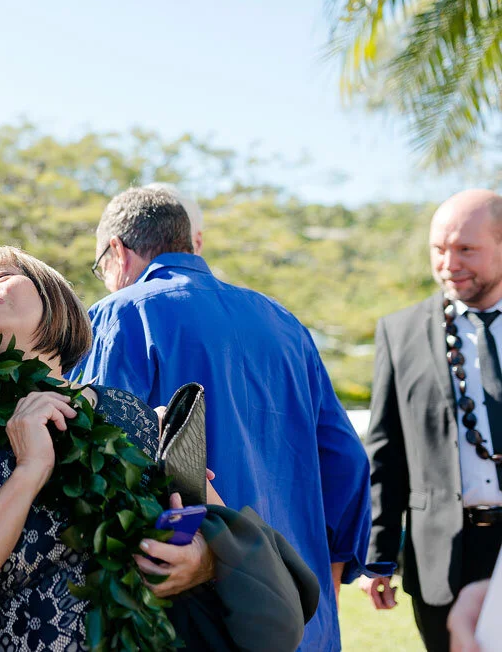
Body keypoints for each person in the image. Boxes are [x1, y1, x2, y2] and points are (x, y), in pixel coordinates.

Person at [0, 245, 319, 651]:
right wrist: (29, 471)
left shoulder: (132, 414)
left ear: (51, 295)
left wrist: (202, 559)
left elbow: (219, 531)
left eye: (1, 276)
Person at [70, 186, 373, 651]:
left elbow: (96, 461)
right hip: (298, 612)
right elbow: (347, 461)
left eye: (101, 267)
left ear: (117, 251)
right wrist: (327, 576)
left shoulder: (120, 314)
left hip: (197, 614)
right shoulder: (284, 322)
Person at [361, 189, 502, 652]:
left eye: (466, 249)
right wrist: (379, 557)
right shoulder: (400, 332)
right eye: (438, 249)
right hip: (441, 557)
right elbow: (385, 453)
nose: (448, 264)